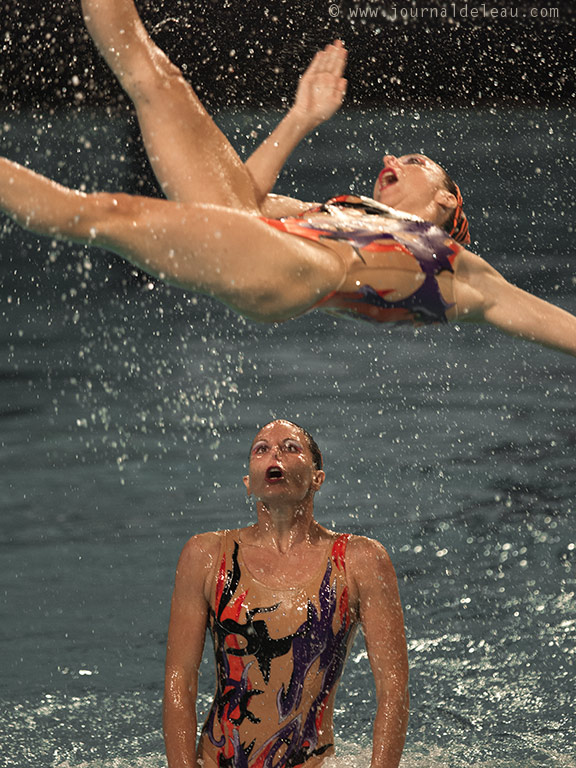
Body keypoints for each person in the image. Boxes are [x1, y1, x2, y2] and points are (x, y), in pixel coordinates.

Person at [1, 0, 575, 356]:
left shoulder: (454, 268)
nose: (393, 162)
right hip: (273, 244)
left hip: (300, 271)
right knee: (157, 76)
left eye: (417, 163)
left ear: (449, 201)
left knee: (106, 213)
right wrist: (300, 118)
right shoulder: (338, 214)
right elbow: (242, 206)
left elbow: (543, 319)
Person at [163, 419, 409, 768]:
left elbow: (393, 687)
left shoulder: (359, 562)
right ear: (248, 483)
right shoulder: (206, 555)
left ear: (318, 477)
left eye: (290, 447)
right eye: (261, 449)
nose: (273, 453)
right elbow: (180, 680)